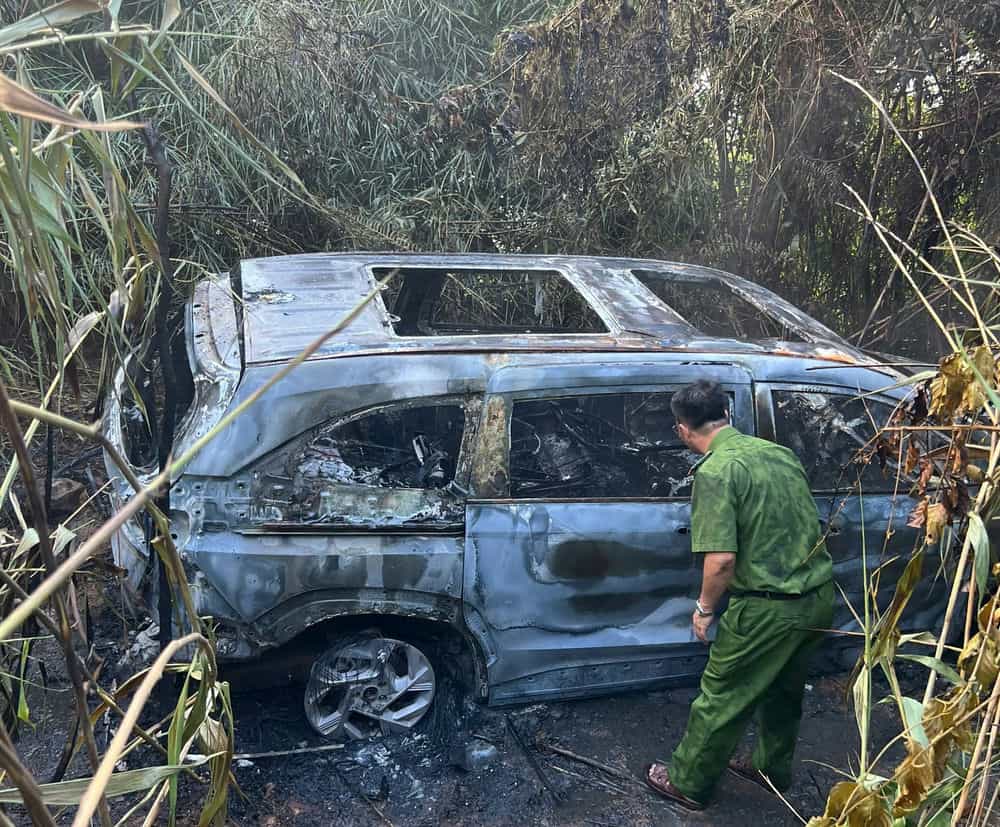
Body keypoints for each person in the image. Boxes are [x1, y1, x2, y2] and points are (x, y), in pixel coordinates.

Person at [646, 380, 835, 810]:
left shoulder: (716, 472)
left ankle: (688, 782)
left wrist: (704, 609)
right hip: (816, 597)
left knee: (722, 696)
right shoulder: (779, 454)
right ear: (727, 416)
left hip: (767, 610)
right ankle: (770, 769)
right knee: (784, 691)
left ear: (682, 430)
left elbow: (721, 561)